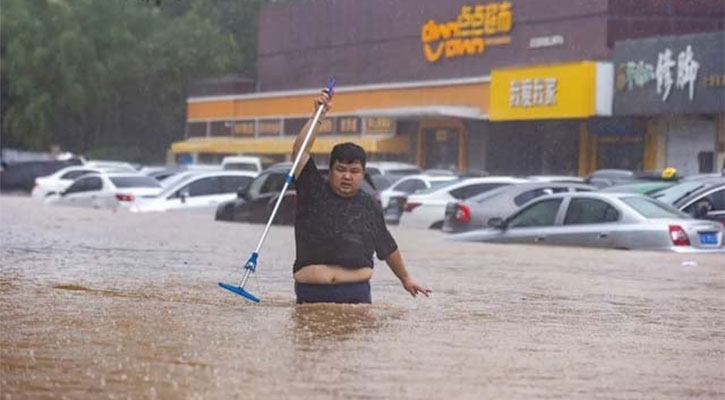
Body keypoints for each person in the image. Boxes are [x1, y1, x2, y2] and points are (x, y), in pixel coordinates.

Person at [291, 89, 431, 304]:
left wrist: (406, 279)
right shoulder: (312, 190)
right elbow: (301, 151)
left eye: (354, 171)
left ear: (362, 174)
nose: (347, 176)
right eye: (340, 169)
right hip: (311, 296)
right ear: (330, 171)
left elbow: (387, 246)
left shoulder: (369, 205)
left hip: (356, 297)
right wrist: (318, 116)